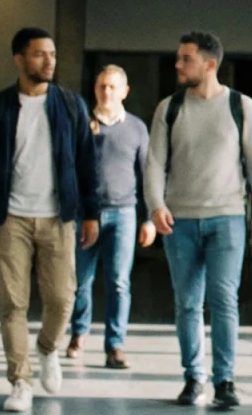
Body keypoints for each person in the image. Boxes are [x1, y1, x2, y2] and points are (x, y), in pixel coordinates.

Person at [0, 27, 101, 413]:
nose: (49, 61)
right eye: (40, 54)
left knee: (62, 299)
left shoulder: (71, 106)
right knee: (13, 303)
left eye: (52, 54)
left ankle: (47, 349)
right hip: (10, 219)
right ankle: (20, 381)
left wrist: (91, 213)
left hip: (58, 219)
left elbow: (86, 164)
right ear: (19, 59)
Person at [146, 31, 252, 408]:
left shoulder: (240, 106)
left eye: (186, 59)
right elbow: (154, 162)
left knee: (224, 300)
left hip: (227, 218)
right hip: (179, 220)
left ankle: (225, 380)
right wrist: (155, 205)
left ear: (210, 64)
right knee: (186, 304)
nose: (178, 65)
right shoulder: (169, 108)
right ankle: (193, 377)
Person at [67, 65, 152, 369]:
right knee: (80, 280)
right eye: (102, 86)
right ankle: (78, 332)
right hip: (85, 215)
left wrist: (149, 219)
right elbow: (70, 169)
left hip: (124, 213)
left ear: (124, 91)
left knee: (118, 282)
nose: (106, 92)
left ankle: (115, 345)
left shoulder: (137, 128)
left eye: (113, 87)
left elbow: (146, 175)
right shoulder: (81, 124)